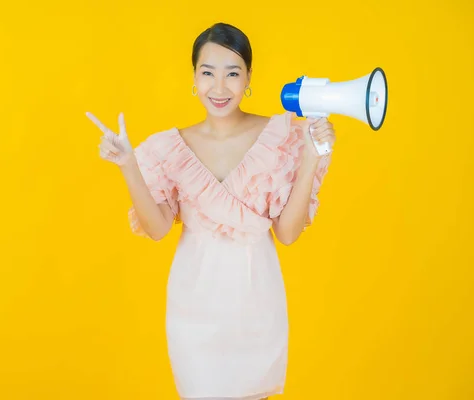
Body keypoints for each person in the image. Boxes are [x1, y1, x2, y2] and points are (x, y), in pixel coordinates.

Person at [86, 22, 336, 400]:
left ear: (249, 76)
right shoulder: (168, 148)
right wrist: (128, 166)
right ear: (194, 78)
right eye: (208, 73)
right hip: (194, 306)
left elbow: (287, 234)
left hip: (256, 303)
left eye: (232, 73)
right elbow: (156, 229)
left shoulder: (282, 137)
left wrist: (312, 159)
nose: (219, 88)